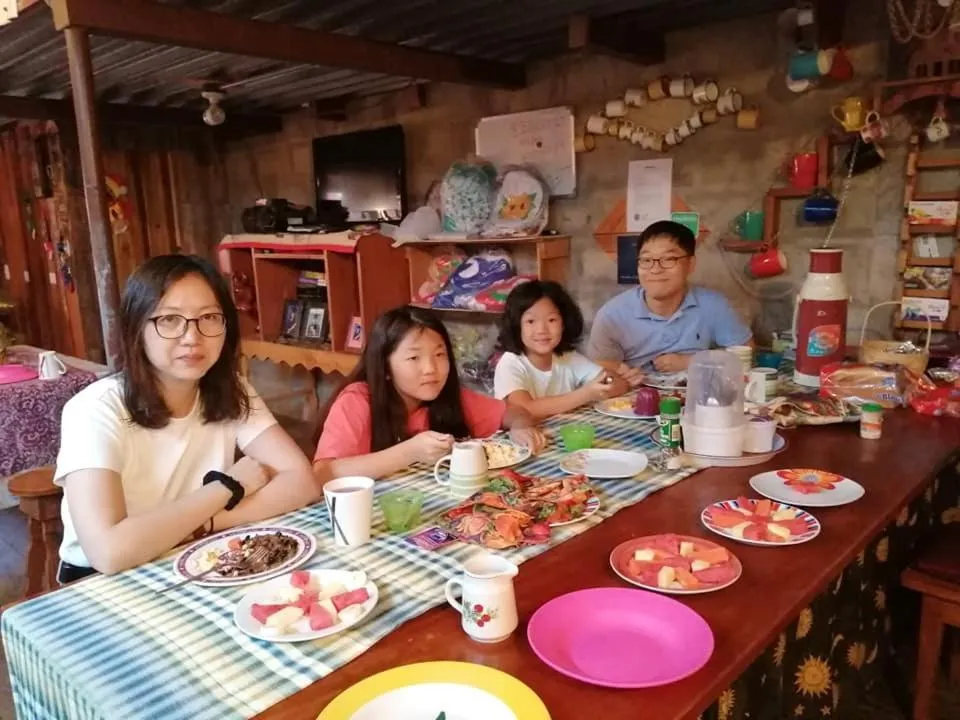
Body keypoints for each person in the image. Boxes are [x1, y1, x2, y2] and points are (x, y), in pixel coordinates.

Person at [55, 255, 322, 582]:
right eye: (169, 320)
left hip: (199, 554)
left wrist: (205, 524)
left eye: (208, 317)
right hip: (101, 581)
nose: (192, 337)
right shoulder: (95, 410)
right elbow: (109, 551)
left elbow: (301, 481)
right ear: (136, 327)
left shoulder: (231, 390)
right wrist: (226, 488)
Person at [314, 305, 546, 479]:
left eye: (439, 355)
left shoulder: (449, 398)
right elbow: (324, 473)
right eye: (414, 357)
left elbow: (513, 412)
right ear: (385, 366)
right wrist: (409, 452)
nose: (431, 369)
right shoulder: (358, 400)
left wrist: (521, 426)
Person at [587, 220, 752, 374]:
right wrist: (619, 376)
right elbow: (597, 371)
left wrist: (693, 362)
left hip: (699, 397)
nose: (655, 269)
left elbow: (745, 354)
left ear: (691, 264)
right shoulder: (612, 315)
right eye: (646, 260)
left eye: (668, 259)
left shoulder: (713, 305)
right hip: (635, 400)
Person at [493, 280, 633, 420]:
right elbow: (526, 409)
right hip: (522, 439)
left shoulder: (568, 357)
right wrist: (586, 394)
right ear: (516, 326)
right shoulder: (511, 363)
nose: (542, 330)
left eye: (552, 320)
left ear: (564, 323)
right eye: (531, 321)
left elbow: (617, 384)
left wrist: (608, 381)